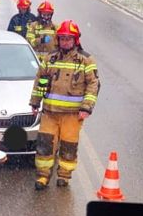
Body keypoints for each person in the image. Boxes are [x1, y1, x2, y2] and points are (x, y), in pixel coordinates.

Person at [29, 20, 99, 190]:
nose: (65, 42)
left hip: (72, 114)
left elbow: (93, 85)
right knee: (45, 145)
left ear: (75, 40)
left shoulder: (86, 60)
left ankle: (64, 175)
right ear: (58, 40)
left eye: (69, 39)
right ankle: (43, 176)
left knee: (68, 145)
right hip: (50, 112)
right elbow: (41, 81)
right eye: (62, 39)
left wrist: (86, 108)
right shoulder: (50, 59)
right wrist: (35, 102)